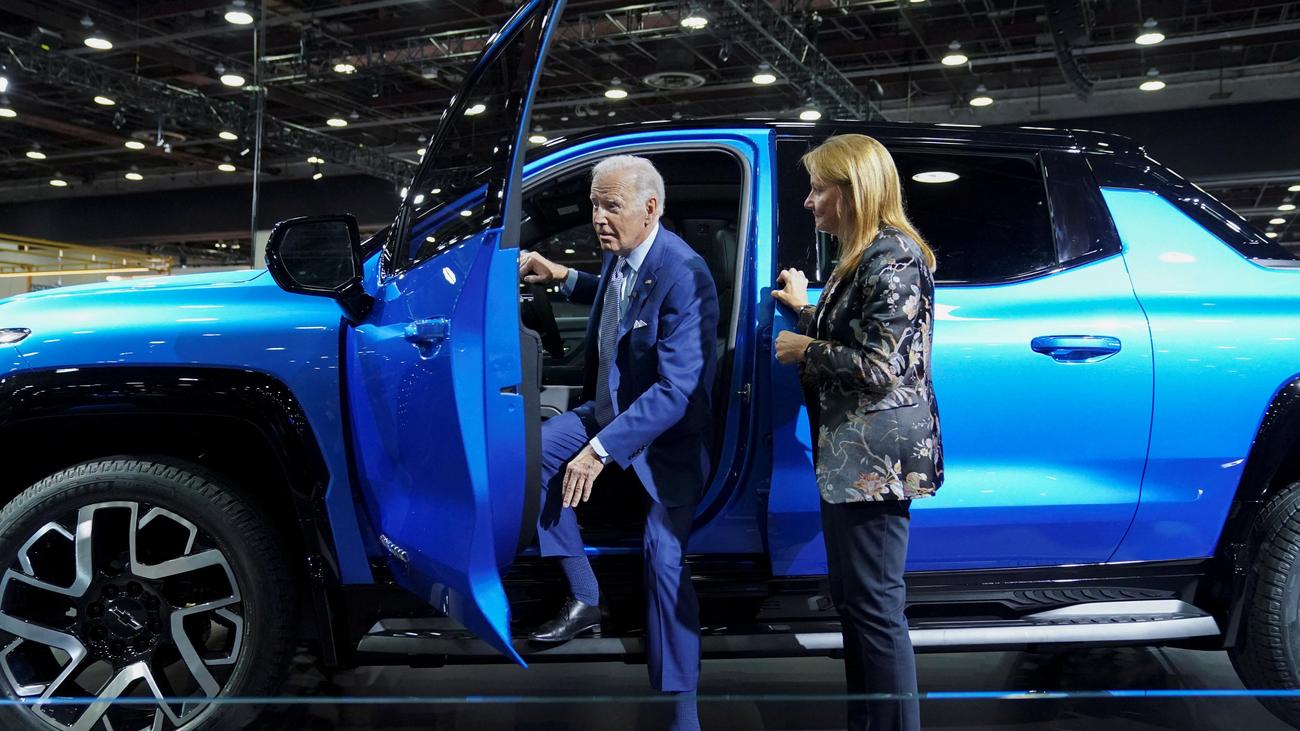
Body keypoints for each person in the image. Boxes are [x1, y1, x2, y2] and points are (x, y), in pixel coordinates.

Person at [518, 155, 719, 731]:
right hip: (607, 409)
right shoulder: (624, 253)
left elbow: (677, 390)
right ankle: (585, 596)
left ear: (649, 209)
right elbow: (618, 302)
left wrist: (599, 451)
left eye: (611, 206)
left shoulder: (684, 272)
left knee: (664, 561)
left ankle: (682, 711)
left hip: (667, 440)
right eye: (594, 205)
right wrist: (563, 275)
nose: (598, 218)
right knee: (533, 458)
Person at [770, 134, 944, 731]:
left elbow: (879, 366)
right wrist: (805, 310)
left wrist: (804, 348)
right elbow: (860, 332)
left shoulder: (893, 256)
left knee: (875, 610)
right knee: (858, 605)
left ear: (853, 191)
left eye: (818, 189)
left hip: (876, 462)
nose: (809, 201)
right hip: (854, 460)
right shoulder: (868, 255)